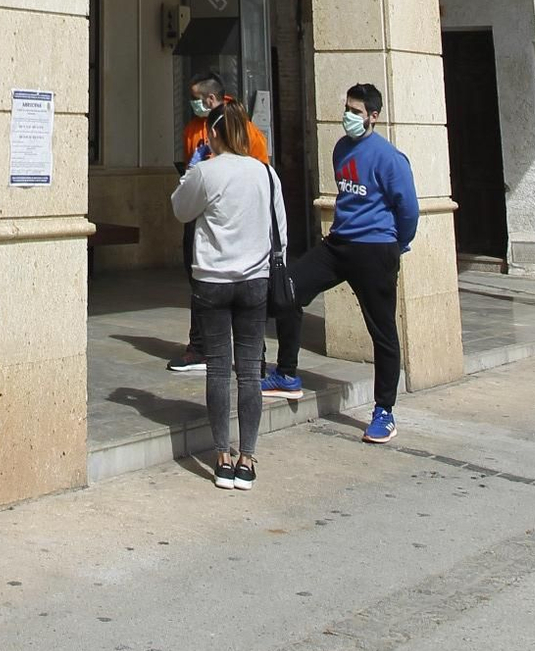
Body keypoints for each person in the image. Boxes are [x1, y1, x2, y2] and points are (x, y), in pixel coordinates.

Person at [262, 80, 417, 445]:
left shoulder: (390, 158)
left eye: (357, 112)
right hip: (338, 244)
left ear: (374, 117)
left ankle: (384, 411)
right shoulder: (340, 149)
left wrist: (398, 246)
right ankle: (286, 374)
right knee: (286, 289)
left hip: (376, 250)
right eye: (347, 109)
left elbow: (408, 209)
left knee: (382, 332)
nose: (348, 116)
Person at [171, 101, 288, 490]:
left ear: (213, 135)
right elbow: (280, 234)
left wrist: (193, 169)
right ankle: (248, 459)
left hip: (212, 282)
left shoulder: (206, 171)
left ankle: (222, 456)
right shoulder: (265, 173)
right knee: (250, 371)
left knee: (220, 369)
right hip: (254, 281)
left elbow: (181, 210)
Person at [168, 72, 270, 378]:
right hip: (203, 213)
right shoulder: (192, 129)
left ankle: (255, 357)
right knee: (199, 282)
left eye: (197, 98)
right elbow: (190, 179)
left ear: (211, 99)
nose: (193, 104)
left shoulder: (246, 131)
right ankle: (199, 347)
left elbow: (261, 177)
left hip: (238, 219)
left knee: (245, 298)